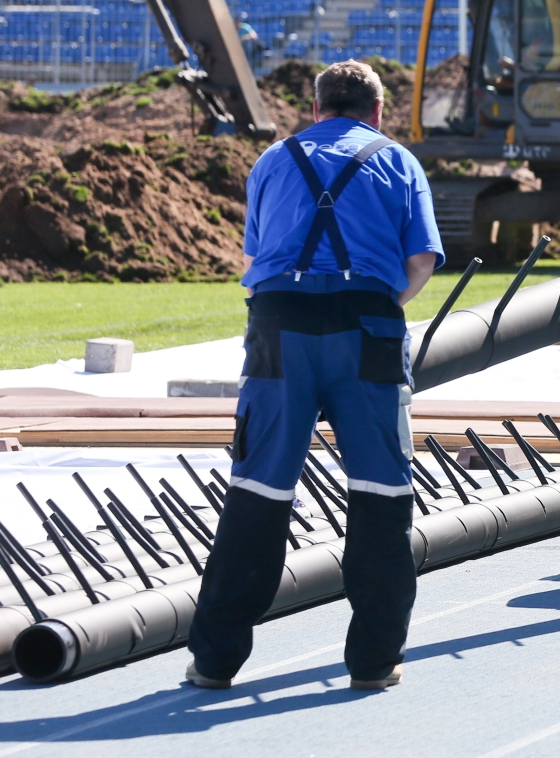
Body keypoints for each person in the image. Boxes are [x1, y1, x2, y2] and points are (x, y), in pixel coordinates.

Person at [185, 60, 443, 691]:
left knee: (259, 491)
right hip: (368, 334)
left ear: (317, 106)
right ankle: (374, 663)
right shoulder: (399, 161)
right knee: (381, 496)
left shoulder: (272, 160)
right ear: (377, 111)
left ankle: (215, 662)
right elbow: (419, 262)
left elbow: (255, 254)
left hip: (279, 331)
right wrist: (378, 307)